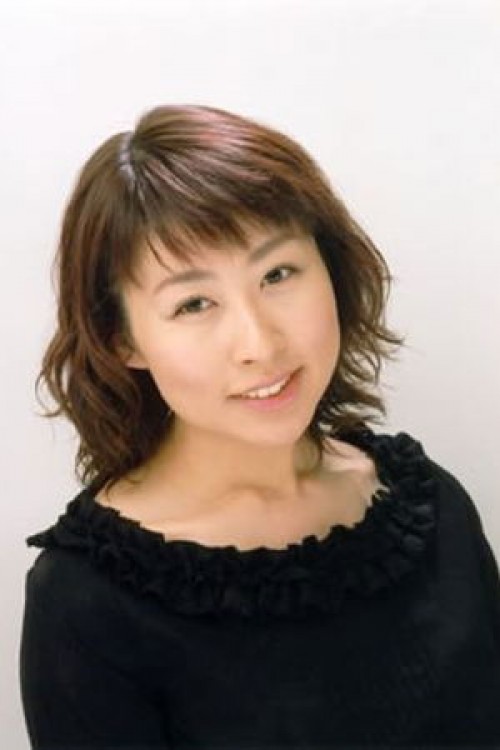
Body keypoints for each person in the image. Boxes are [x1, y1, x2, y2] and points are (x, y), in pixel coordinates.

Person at [20, 103, 500, 750]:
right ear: (122, 339)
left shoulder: (427, 506)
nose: (259, 344)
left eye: (277, 274)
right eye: (194, 303)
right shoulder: (88, 604)